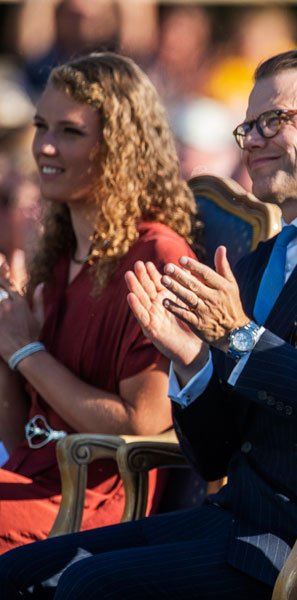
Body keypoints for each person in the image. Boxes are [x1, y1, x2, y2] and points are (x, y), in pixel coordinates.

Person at [0, 48, 297, 599]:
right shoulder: (256, 262)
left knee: (88, 585)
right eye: (249, 126)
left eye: (274, 120)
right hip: (239, 515)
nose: (254, 139)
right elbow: (214, 455)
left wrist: (242, 340)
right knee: (18, 574)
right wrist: (191, 362)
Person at [0, 52, 195, 552]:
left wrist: (26, 352)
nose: (43, 145)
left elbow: (141, 426)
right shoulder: (62, 249)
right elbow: (27, 438)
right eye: (42, 125)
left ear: (120, 148)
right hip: (33, 479)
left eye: (69, 131)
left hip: (96, 505)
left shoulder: (157, 256)